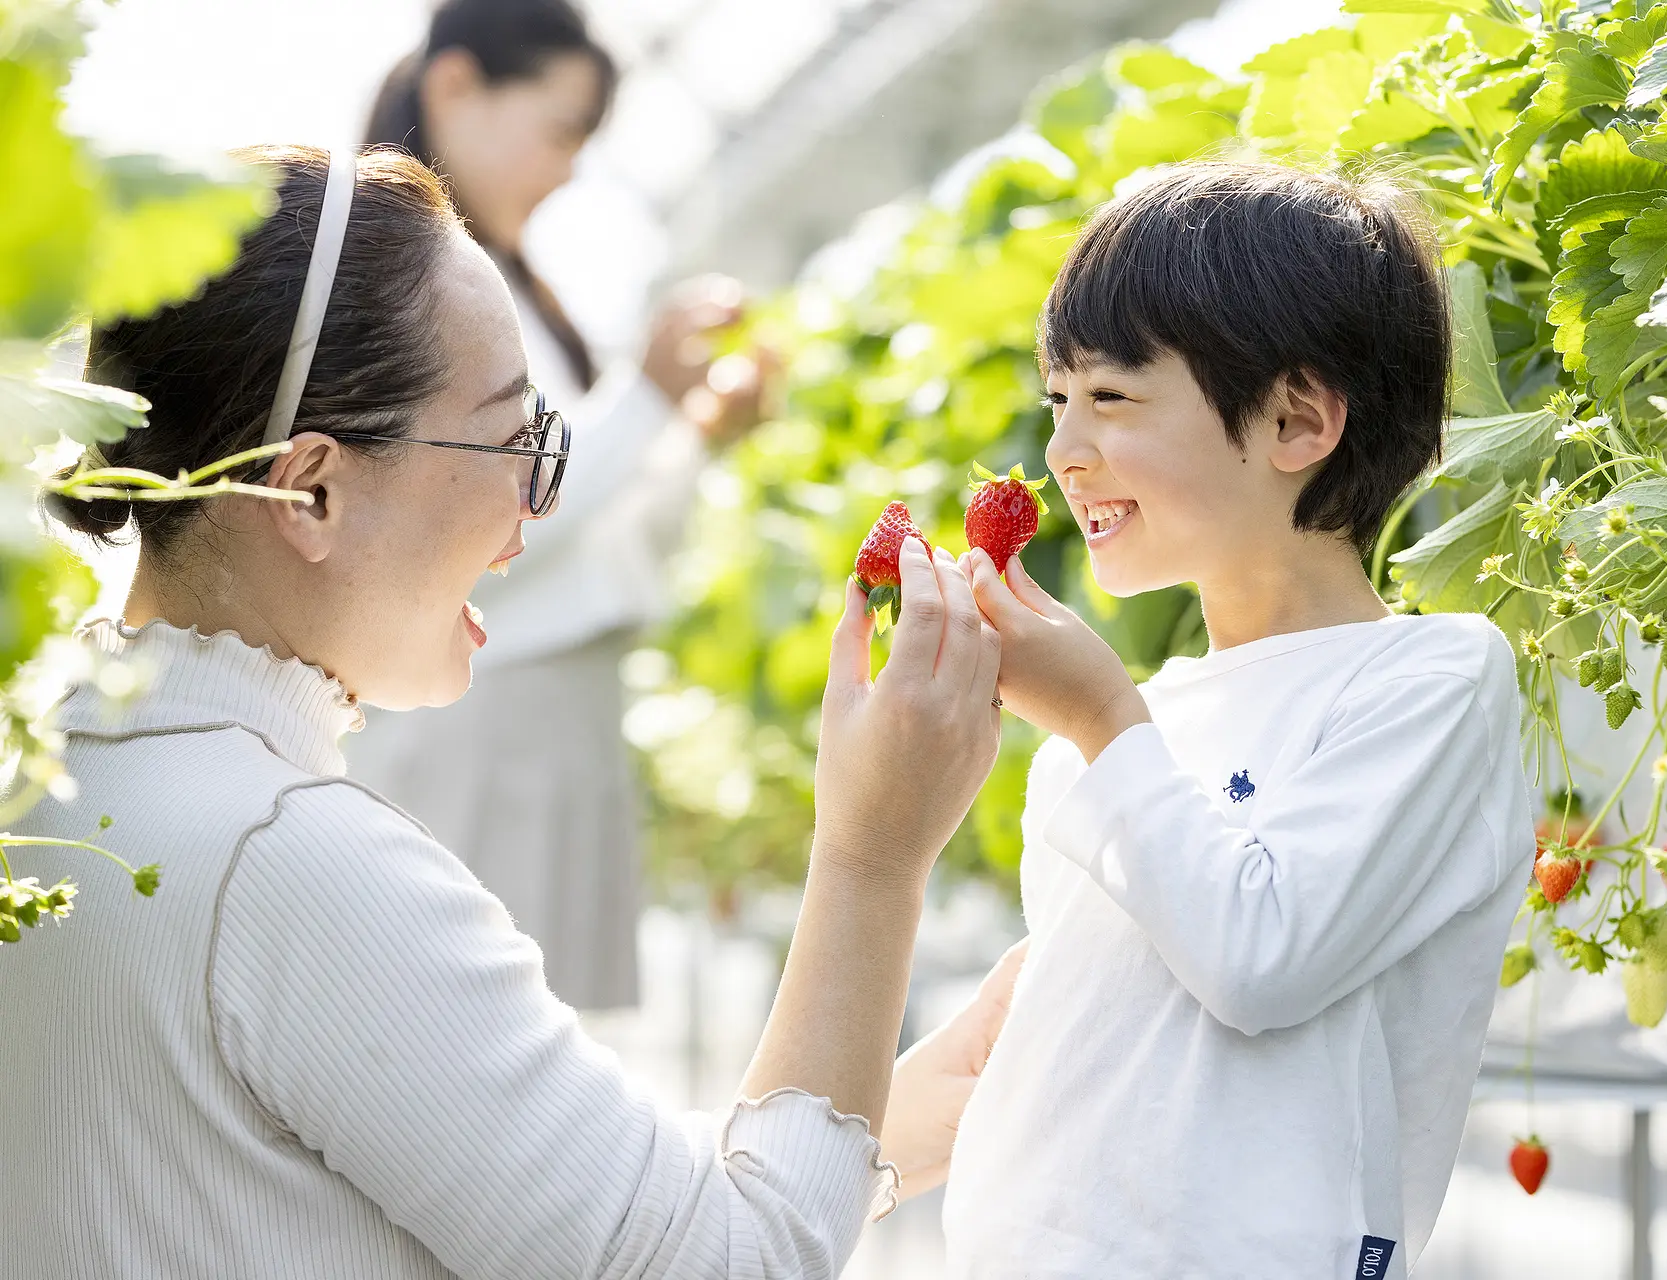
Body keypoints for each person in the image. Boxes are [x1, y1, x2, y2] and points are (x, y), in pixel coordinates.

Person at [4, 144, 1013, 1279]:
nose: (532, 510)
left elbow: (470, 1175)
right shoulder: (288, 861)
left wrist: (864, 1144)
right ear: (310, 490)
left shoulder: (45, 782)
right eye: (511, 439)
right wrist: (875, 853)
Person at [943, 162, 1536, 1279]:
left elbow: (1262, 960)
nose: (1066, 451)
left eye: (1113, 398)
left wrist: (1099, 715)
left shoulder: (1430, 680)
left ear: (1295, 418)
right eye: (1056, 401)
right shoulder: (1119, 729)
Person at [352, 0, 757, 1009]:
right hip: (488, 712)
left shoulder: (504, 287)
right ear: (456, 87)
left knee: (527, 1041)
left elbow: (595, 537)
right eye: (560, 128)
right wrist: (650, 397)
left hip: (546, 708)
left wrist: (695, 432)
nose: (572, 166)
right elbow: (489, 505)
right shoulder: (398, 281)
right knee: (473, 1033)